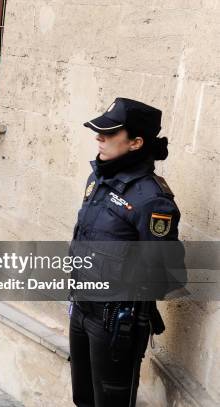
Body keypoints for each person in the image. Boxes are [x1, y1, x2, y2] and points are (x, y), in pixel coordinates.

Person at [69, 98, 181, 406]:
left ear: (136, 143)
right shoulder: (98, 179)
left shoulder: (152, 200)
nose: (99, 138)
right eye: (99, 132)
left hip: (115, 321)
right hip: (81, 309)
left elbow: (167, 275)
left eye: (108, 133)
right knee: (83, 399)